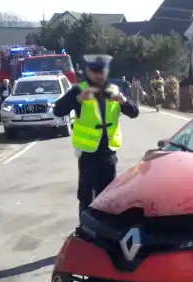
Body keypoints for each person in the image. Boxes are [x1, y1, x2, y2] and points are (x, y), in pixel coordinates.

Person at [52, 54, 139, 215]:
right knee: (86, 198)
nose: (99, 75)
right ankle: (86, 230)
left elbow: (134, 113)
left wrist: (123, 101)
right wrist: (77, 99)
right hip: (88, 154)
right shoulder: (79, 89)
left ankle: (105, 233)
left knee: (107, 197)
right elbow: (58, 110)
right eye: (95, 72)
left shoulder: (114, 90)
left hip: (109, 153)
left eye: (102, 72)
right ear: (88, 71)